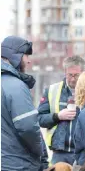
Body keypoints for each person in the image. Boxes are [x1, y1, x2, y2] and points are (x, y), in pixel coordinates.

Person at [1, 36, 43, 170]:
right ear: (15, 56)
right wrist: (40, 151)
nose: (29, 61)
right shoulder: (16, 86)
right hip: (18, 164)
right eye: (26, 56)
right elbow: (28, 127)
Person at [38, 56, 85, 165]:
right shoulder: (52, 90)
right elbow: (39, 119)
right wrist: (57, 116)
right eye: (70, 75)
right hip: (59, 153)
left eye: (76, 75)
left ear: (83, 73)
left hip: (82, 153)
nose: (73, 79)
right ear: (65, 72)